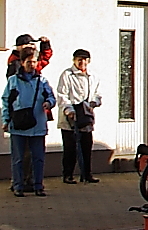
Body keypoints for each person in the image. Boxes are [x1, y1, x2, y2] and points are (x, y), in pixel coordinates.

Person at [3, 45, 56, 197]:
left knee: (38, 158)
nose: (31, 64)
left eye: (34, 61)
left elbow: (51, 97)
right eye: (28, 62)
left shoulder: (42, 81)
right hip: (18, 125)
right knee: (18, 158)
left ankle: (38, 185)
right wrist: (5, 120)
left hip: (37, 124)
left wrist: (49, 103)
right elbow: (6, 101)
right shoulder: (13, 81)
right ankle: (18, 186)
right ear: (21, 62)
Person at [57, 48, 103, 184]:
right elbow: (62, 95)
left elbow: (97, 94)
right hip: (70, 117)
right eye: (79, 59)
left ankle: (86, 174)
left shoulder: (93, 77)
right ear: (74, 60)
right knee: (70, 148)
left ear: (89, 61)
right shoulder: (67, 75)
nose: (82, 62)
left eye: (84, 60)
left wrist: (94, 102)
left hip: (86, 116)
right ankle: (68, 174)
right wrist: (69, 110)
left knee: (86, 146)